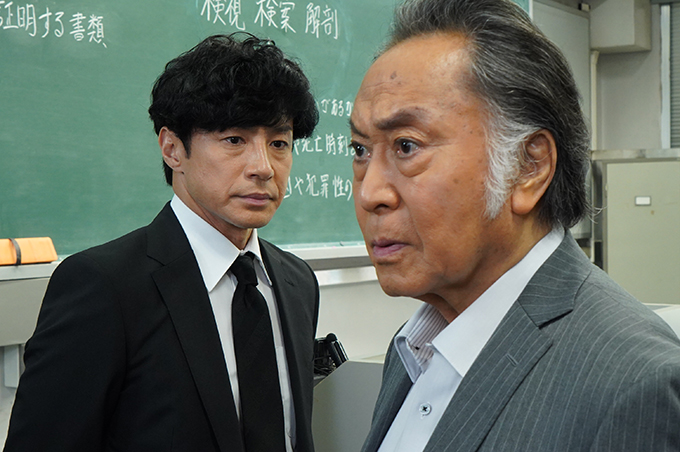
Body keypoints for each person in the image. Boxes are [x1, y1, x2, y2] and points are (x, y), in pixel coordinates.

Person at [349, 0, 680, 451]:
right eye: (360, 150)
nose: (369, 192)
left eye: (407, 146)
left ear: (528, 167)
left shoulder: (634, 382)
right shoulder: (413, 347)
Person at [4, 33, 320, 452]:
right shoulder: (104, 287)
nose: (264, 167)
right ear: (173, 149)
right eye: (234, 140)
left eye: (279, 144)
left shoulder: (297, 283)